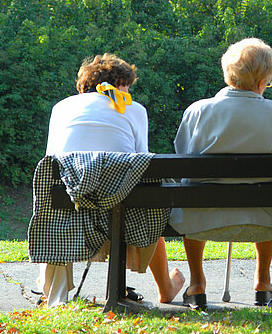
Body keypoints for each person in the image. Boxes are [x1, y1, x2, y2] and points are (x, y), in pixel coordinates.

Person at [38, 53, 185, 307]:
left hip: (71, 201)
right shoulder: (133, 108)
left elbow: (51, 158)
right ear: (120, 85)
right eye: (128, 86)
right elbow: (140, 160)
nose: (130, 92)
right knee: (148, 205)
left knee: (57, 206)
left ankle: (50, 290)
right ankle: (166, 288)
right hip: (123, 204)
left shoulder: (61, 107)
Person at [169, 38, 272, 309]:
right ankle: (263, 282)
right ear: (262, 80)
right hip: (265, 219)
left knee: (192, 192)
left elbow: (182, 155)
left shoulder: (198, 111)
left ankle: (196, 284)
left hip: (202, 219)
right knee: (271, 191)